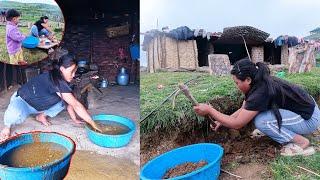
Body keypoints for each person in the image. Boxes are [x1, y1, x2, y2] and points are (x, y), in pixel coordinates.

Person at [193, 58, 320, 156]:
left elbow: (237, 124)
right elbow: (245, 107)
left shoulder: (260, 92)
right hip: (306, 110)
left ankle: (302, 142)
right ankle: (286, 131)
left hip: (309, 119)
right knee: (259, 116)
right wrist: (220, 120)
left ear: (247, 80)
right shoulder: (258, 82)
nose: (236, 86)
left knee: (262, 121)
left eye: (237, 82)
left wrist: (210, 110)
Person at [0, 54, 101, 142]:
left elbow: (71, 102)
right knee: (15, 114)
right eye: (72, 71)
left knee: (63, 102)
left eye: (75, 71)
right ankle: (7, 127)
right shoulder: (54, 79)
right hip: (23, 101)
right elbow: (76, 105)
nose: (74, 75)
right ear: (62, 69)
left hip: (39, 105)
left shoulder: (62, 79)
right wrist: (92, 123)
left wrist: (74, 119)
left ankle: (41, 116)